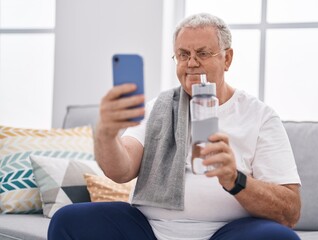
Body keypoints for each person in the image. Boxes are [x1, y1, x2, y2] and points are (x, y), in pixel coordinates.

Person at [48, 13, 301, 240]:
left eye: (202, 53)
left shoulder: (260, 116)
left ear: (227, 58)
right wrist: (106, 133)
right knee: (68, 221)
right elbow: (120, 170)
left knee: (278, 238)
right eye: (183, 55)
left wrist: (235, 179)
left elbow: (289, 211)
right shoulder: (157, 108)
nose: (191, 63)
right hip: (148, 229)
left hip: (228, 231)